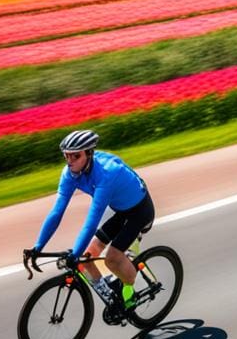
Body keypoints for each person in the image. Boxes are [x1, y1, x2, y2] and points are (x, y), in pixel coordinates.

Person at [29, 130, 153, 309]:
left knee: (112, 258)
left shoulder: (106, 174)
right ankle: (111, 297)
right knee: (87, 257)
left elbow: (92, 221)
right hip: (121, 211)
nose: (70, 162)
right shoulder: (69, 174)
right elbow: (57, 212)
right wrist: (37, 247)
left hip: (140, 212)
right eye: (67, 156)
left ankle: (129, 289)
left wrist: (74, 254)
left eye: (75, 156)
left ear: (89, 153)